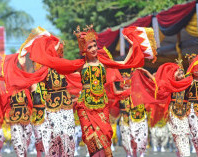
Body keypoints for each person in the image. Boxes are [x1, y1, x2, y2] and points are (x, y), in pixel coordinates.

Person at [25, 25, 157, 157]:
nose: (94, 49)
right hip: (85, 107)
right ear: (84, 50)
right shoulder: (80, 64)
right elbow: (57, 63)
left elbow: (124, 63)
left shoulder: (103, 62)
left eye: (95, 46)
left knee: (105, 135)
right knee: (91, 139)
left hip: (102, 106)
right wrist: (52, 47)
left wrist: (133, 45)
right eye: (90, 47)